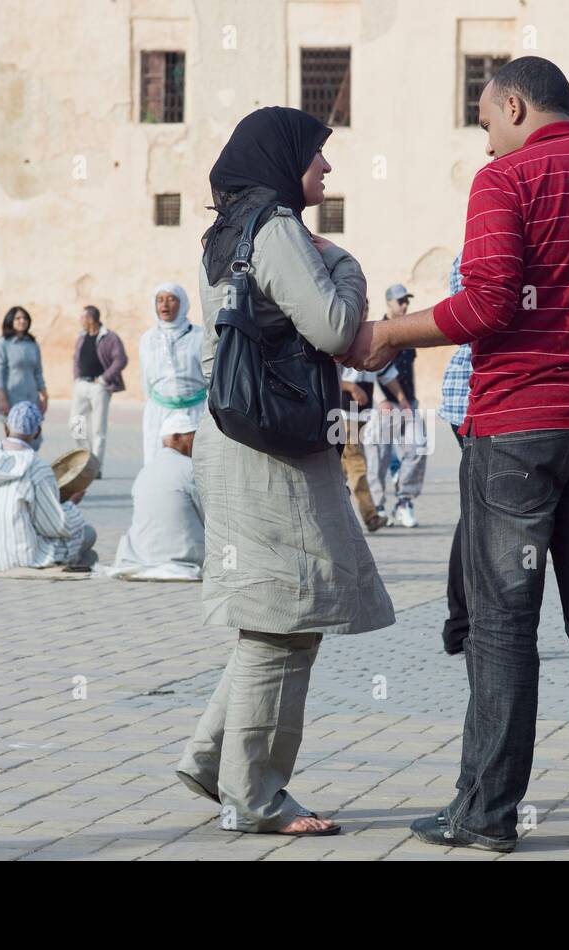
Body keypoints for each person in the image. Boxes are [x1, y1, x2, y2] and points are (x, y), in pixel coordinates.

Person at [342, 57, 569, 852]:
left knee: (503, 623)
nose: (485, 140)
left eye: (484, 122)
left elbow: (489, 302)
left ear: (512, 105)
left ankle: (486, 814)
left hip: (517, 434)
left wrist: (389, 333)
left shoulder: (506, 180)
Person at [176, 106, 394, 838]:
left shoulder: (228, 231)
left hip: (236, 437)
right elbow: (333, 327)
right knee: (285, 618)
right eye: (316, 155)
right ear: (281, 161)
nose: (326, 167)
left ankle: (213, 761)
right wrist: (348, 267)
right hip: (270, 452)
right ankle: (255, 798)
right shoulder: (274, 229)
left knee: (275, 617)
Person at [0, 401, 97, 570]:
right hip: (20, 557)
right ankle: (76, 560)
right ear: (37, 432)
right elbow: (53, 526)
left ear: (6, 428)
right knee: (88, 533)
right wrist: (70, 504)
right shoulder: (37, 467)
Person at [108, 419, 204, 581]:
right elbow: (211, 516)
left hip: (141, 554)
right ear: (176, 438)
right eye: (193, 437)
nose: (198, 443)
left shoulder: (145, 471)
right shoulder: (191, 468)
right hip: (184, 554)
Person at [364, 284, 428, 527]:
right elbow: (369, 369)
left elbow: (408, 371)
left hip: (408, 403)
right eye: (400, 301)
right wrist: (379, 399)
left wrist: (411, 401)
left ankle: (404, 501)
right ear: (389, 302)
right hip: (384, 406)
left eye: (406, 301)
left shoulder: (409, 332)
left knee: (418, 447)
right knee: (378, 456)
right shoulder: (377, 332)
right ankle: (378, 506)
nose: (405, 305)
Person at [340, 321, 407, 531]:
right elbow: (327, 374)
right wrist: (351, 387)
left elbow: (386, 375)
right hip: (342, 414)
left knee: (343, 467)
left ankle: (336, 512)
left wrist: (402, 398)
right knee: (357, 464)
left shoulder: (368, 338)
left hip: (362, 415)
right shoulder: (339, 337)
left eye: (366, 307)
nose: (363, 311)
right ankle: (370, 516)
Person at [438, 254, 473, 655]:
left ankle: (462, 626)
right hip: (474, 396)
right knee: (480, 517)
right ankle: (462, 626)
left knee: (477, 515)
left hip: (465, 395)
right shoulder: (483, 249)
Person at [139, 283, 205, 466]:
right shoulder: (148, 339)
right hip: (160, 411)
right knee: (156, 462)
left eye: (171, 299)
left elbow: (210, 375)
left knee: (197, 461)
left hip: (196, 410)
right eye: (160, 300)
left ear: (182, 303)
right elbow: (146, 380)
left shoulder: (199, 336)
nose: (165, 304)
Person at [69, 305, 127, 475]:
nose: (80, 320)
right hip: (81, 385)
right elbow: (76, 359)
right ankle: (86, 460)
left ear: (90, 319)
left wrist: (104, 379)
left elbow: (121, 359)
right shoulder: (81, 337)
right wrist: (76, 379)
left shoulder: (109, 337)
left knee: (98, 430)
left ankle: (95, 469)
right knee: (75, 424)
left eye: (82, 317)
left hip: (99, 388)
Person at [0, 306, 48, 423]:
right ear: (10, 321)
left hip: (31, 396)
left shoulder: (32, 344)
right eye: (18, 318)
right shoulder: (2, 344)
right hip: (11, 396)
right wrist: (2, 397)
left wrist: (44, 395)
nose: (22, 321)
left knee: (33, 430)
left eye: (25, 318)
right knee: (14, 431)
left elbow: (38, 371)